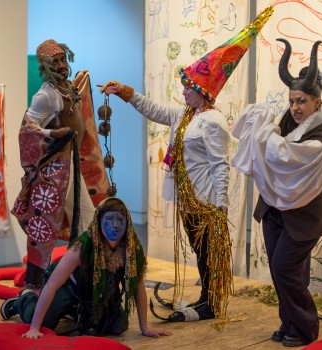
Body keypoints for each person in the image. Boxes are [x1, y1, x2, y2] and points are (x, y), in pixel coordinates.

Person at [99, 7, 273, 322]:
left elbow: (222, 165)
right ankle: (208, 297)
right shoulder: (185, 115)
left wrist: (220, 204)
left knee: (208, 252)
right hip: (187, 200)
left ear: (202, 91)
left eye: (188, 88)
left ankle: (211, 302)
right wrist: (125, 92)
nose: (183, 92)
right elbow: (155, 110)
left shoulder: (212, 121)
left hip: (204, 202)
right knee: (198, 250)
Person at [231, 39, 322, 347]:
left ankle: (305, 328)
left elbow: (283, 155)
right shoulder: (291, 120)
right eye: (292, 101)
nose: (295, 107)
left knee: (283, 268)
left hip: (305, 215)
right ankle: (289, 322)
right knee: (286, 272)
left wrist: (265, 131)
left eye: (302, 101)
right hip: (276, 210)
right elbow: (271, 148)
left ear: (317, 102)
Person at [1, 197, 172, 338]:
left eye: (120, 220)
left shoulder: (131, 248)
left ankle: (78, 310)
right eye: (109, 220)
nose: (115, 225)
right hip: (68, 286)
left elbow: (138, 285)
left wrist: (145, 328)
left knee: (117, 326)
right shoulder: (82, 247)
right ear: (99, 222)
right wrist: (34, 328)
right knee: (45, 321)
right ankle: (23, 300)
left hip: (99, 288)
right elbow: (53, 284)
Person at [11, 39, 107, 290]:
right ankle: (38, 287)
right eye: (56, 61)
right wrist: (54, 134)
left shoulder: (66, 88)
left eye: (64, 59)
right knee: (47, 228)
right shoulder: (44, 95)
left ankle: (82, 278)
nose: (63, 65)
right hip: (55, 173)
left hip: (72, 166)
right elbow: (27, 130)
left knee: (87, 219)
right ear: (45, 65)